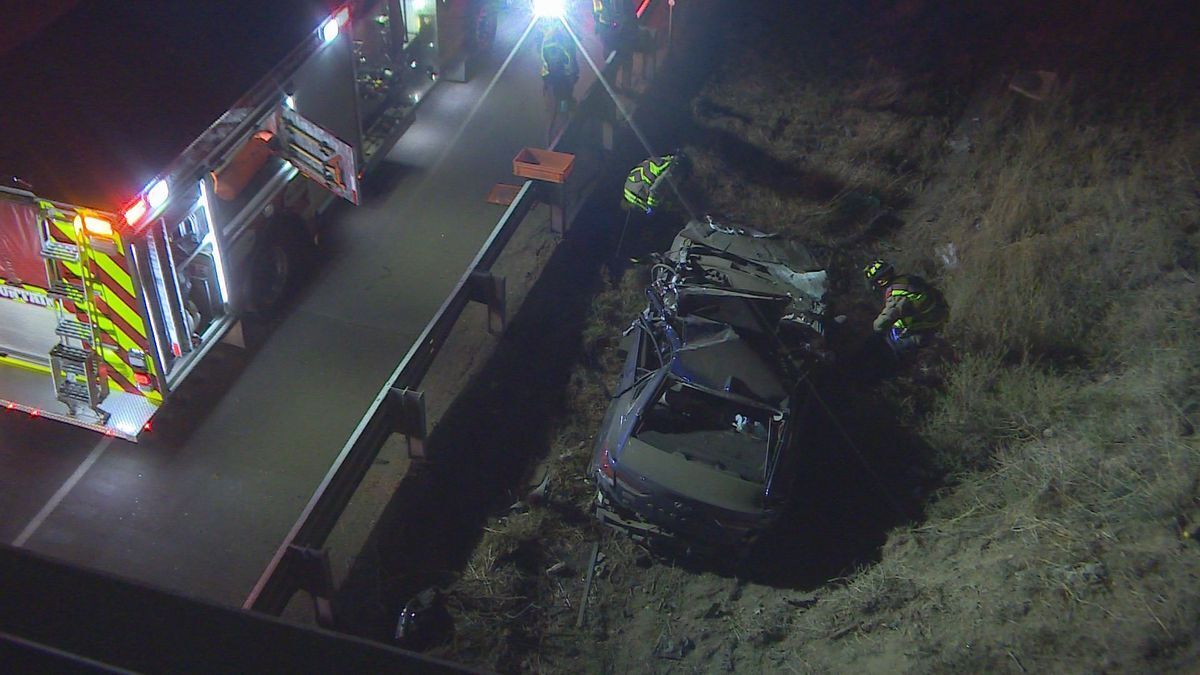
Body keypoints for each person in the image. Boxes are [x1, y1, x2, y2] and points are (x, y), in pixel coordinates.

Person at [864, 259, 949, 354]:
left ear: (880, 281)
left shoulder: (895, 293)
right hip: (937, 310)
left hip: (930, 321)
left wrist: (874, 328)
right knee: (896, 328)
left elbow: (888, 316)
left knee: (895, 346)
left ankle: (932, 355)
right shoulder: (905, 280)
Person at [623, 151, 689, 214]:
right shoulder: (669, 166)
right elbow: (655, 191)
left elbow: (654, 192)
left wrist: (653, 208)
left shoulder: (672, 169)